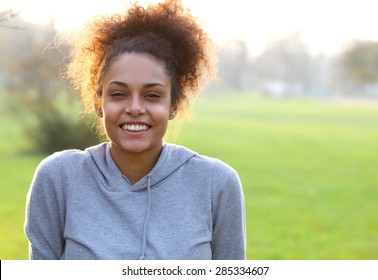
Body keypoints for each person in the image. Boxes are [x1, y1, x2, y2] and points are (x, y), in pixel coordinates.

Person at [24, 0, 245, 260]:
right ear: (98, 102)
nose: (135, 108)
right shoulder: (59, 178)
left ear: (173, 105)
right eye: (119, 94)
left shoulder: (216, 184)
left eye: (152, 95)